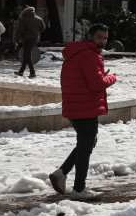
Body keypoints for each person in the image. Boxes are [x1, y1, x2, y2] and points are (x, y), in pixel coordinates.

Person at [49, 23, 117, 200]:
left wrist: (101, 76)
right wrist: (111, 78)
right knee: (86, 147)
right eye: (99, 37)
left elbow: (86, 78)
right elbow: (96, 84)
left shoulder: (76, 52)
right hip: (85, 107)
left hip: (75, 106)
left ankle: (61, 173)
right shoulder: (90, 56)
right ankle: (79, 189)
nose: (102, 41)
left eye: (105, 38)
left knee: (87, 143)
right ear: (89, 36)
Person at [16, 6, 45, 78]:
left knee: (28, 55)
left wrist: (16, 40)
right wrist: (37, 33)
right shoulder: (39, 19)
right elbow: (43, 28)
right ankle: (21, 72)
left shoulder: (23, 19)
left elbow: (20, 31)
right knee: (26, 55)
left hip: (26, 39)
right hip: (35, 39)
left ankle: (32, 72)